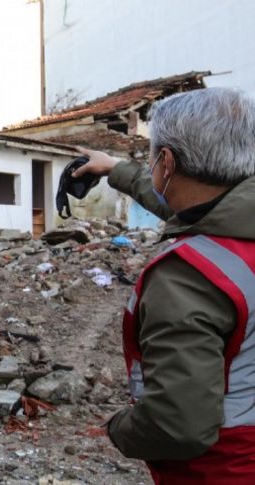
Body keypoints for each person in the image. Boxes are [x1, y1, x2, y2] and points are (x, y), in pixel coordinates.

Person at [72, 87, 255, 484]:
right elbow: (196, 207)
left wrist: (119, 428)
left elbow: (178, 423)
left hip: (223, 470)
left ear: (166, 162)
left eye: (154, 158)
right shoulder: (239, 222)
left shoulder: (190, 275)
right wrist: (114, 169)